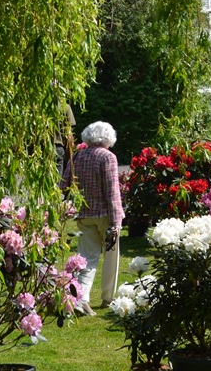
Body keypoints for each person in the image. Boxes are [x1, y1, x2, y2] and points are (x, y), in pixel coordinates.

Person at [63, 121, 125, 314]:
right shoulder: (107, 157)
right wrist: (116, 221)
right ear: (109, 138)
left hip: (84, 215)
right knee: (111, 258)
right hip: (105, 215)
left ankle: (81, 298)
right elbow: (112, 192)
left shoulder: (77, 156)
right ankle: (108, 298)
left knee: (87, 258)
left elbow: (63, 185)